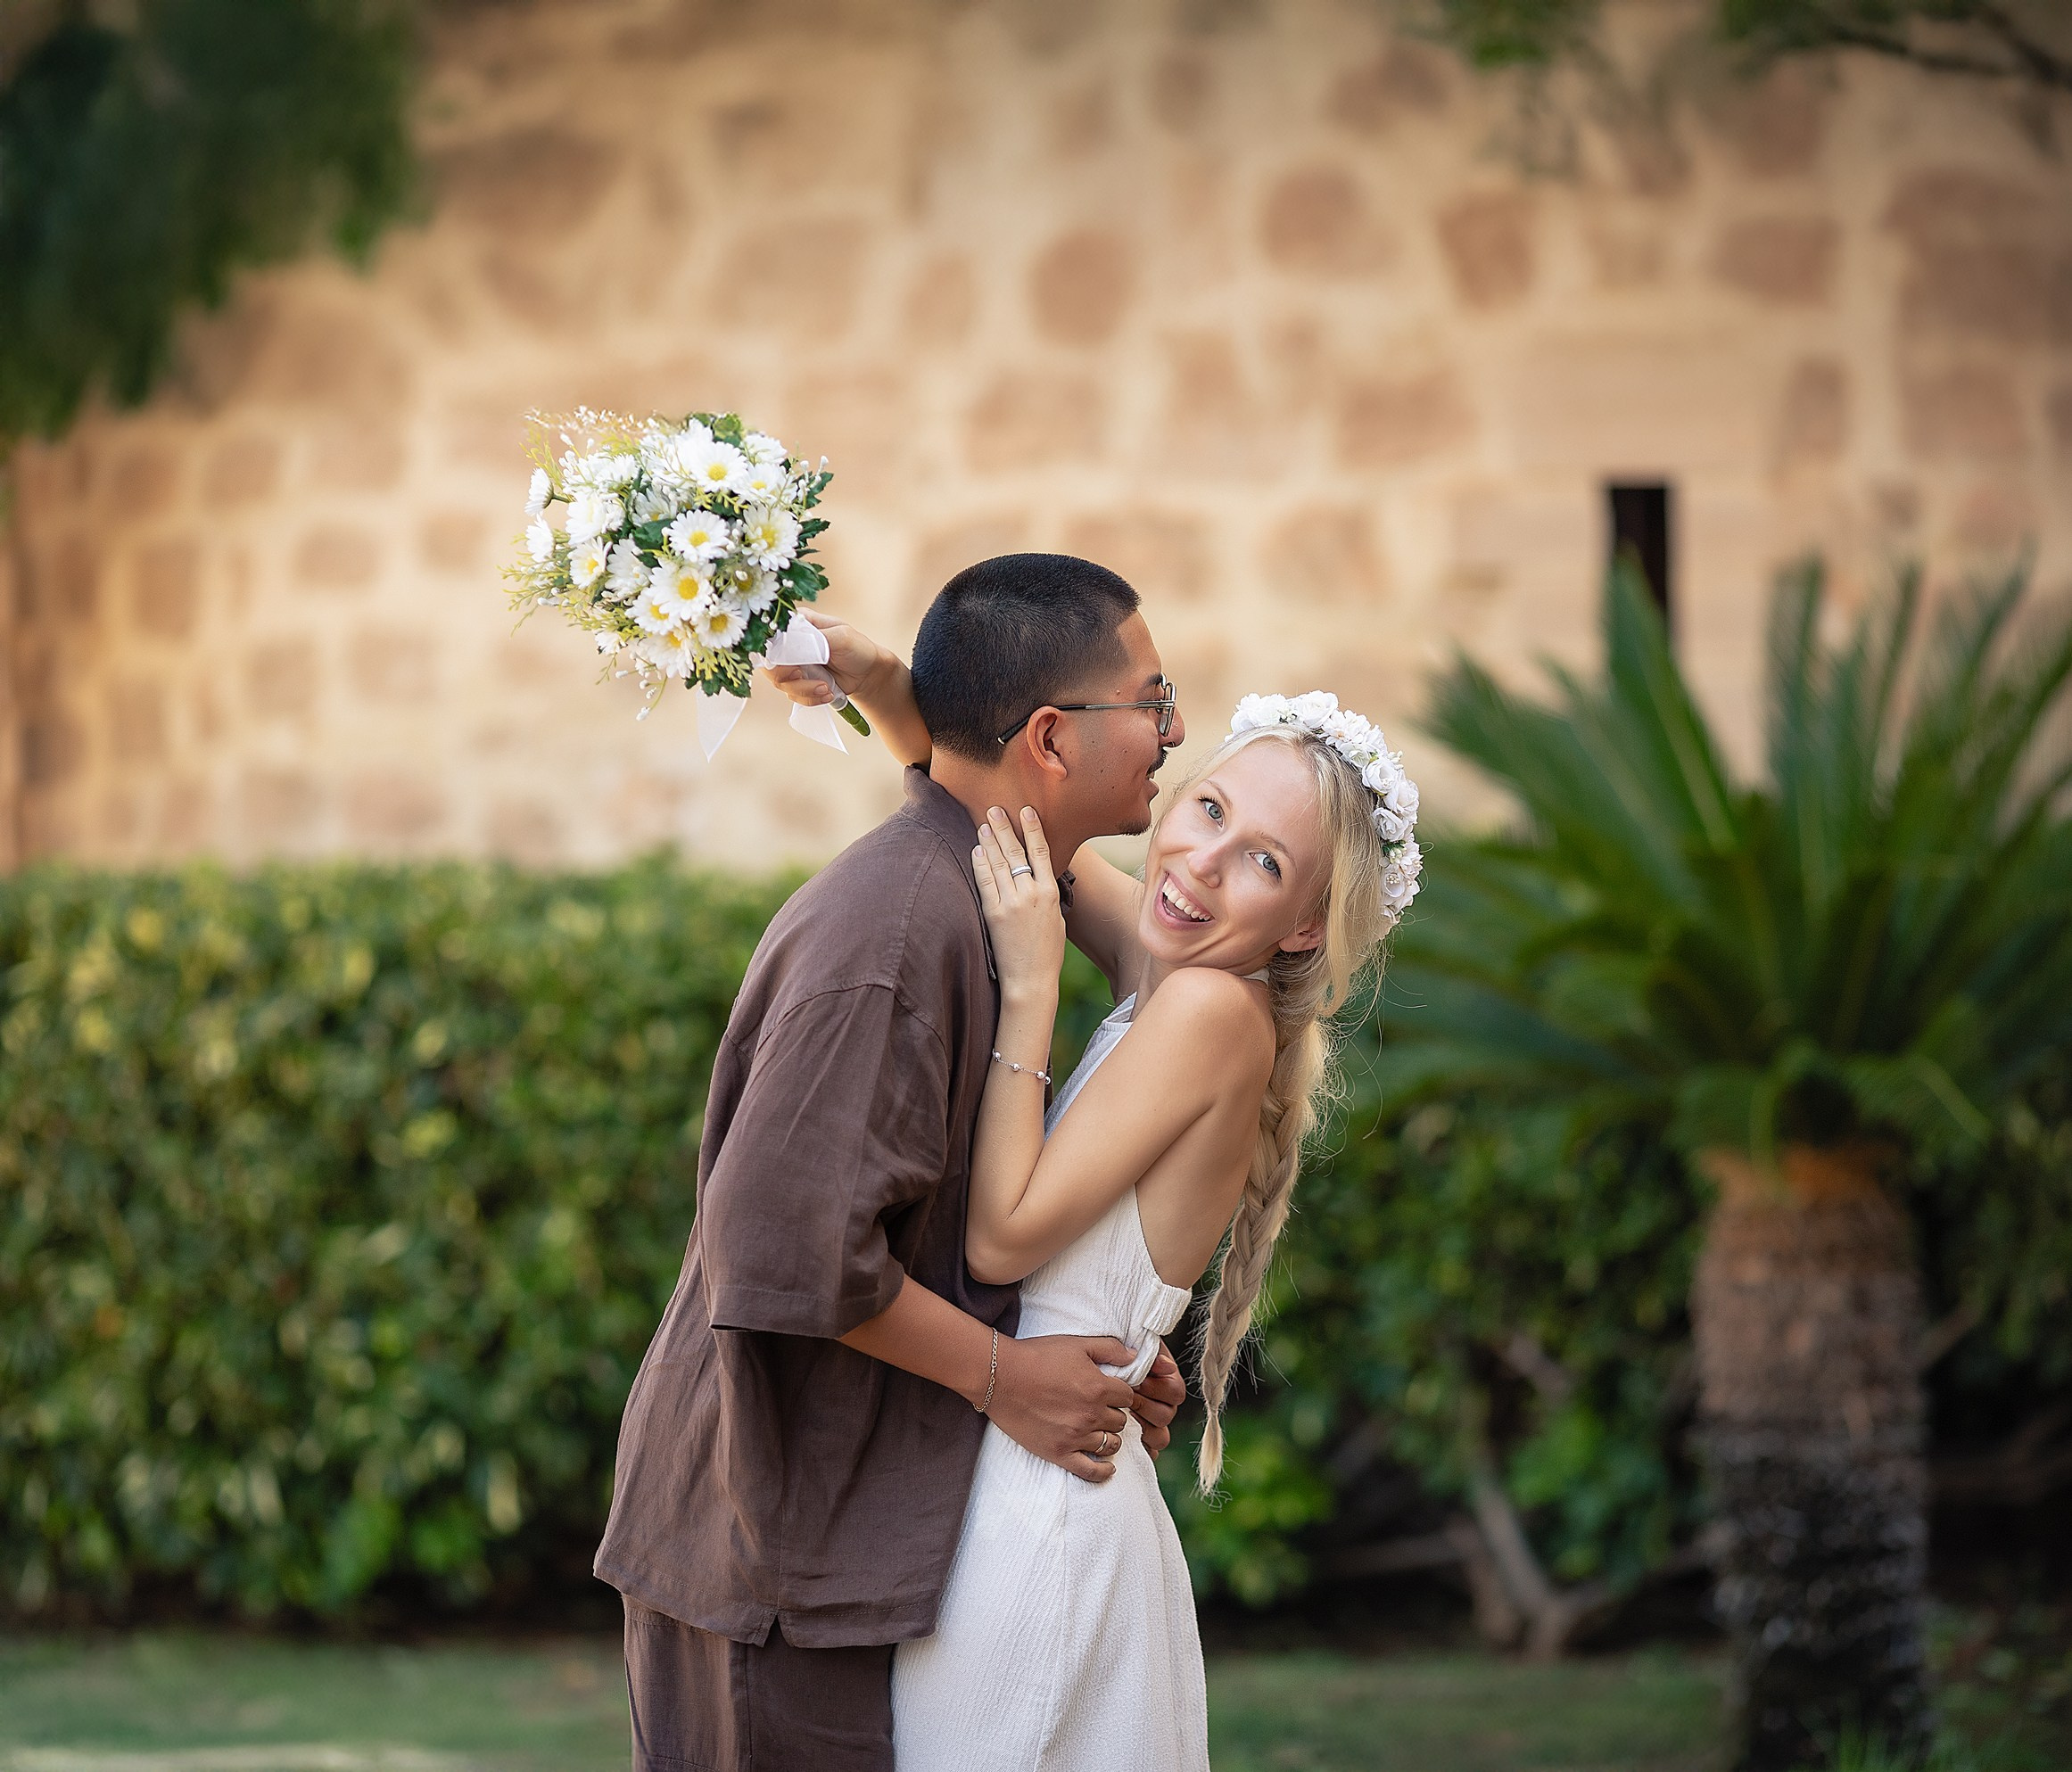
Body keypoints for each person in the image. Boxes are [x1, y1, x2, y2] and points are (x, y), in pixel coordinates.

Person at [775, 632, 1421, 1770]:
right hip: (1034, 1463)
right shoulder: (1176, 964)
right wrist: (876, 676)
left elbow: (1003, 1233)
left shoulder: (1210, 1013)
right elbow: (990, 809)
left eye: (1266, 863)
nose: (1202, 863)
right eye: (1210, 808)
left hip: (1043, 1510)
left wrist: (1029, 992)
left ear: (1308, 925)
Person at [595, 555, 1194, 1772]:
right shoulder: (898, 925)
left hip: (841, 1531)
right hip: (771, 1545)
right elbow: (779, 1244)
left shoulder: (983, 884)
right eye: (1152, 696)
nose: (1173, 729)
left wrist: (1091, 1337)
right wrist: (1002, 1374)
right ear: (1048, 736)